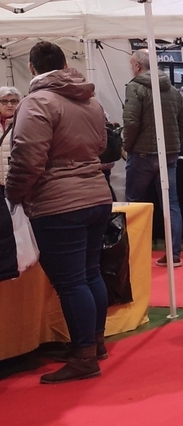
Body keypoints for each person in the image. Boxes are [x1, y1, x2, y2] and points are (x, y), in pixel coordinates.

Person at [6, 42, 112, 383]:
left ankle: (84, 357)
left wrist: (13, 194)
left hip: (58, 202)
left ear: (32, 68)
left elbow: (27, 157)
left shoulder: (37, 102)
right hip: (97, 194)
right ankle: (94, 344)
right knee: (90, 273)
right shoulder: (90, 99)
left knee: (71, 282)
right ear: (65, 64)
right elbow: (103, 145)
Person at [122, 49, 183, 267]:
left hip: (141, 154)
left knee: (133, 203)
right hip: (169, 155)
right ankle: (174, 254)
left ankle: (133, 252)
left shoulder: (135, 87)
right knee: (171, 204)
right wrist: (173, 145)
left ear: (137, 66)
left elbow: (131, 122)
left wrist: (126, 146)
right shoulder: (173, 90)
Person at [0, 86, 22, 194]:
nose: (9, 105)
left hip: (16, 182)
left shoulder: (25, 122)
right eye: (4, 101)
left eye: (13, 101)